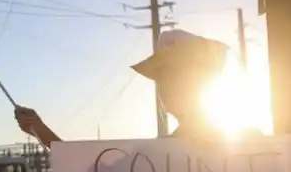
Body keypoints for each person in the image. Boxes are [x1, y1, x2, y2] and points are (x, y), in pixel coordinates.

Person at [15, 29, 244, 147]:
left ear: (204, 81)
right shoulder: (154, 158)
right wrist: (40, 130)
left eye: (177, 74)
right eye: (161, 78)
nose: (166, 87)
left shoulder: (252, 149)